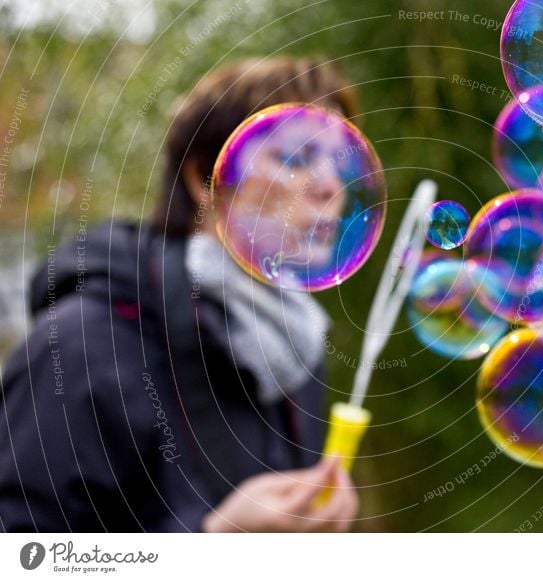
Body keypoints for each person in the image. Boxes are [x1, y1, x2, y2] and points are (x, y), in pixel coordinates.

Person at [0, 58, 360, 532]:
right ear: (203, 179)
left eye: (340, 163)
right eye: (294, 158)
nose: (330, 187)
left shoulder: (298, 342)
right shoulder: (79, 345)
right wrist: (209, 545)